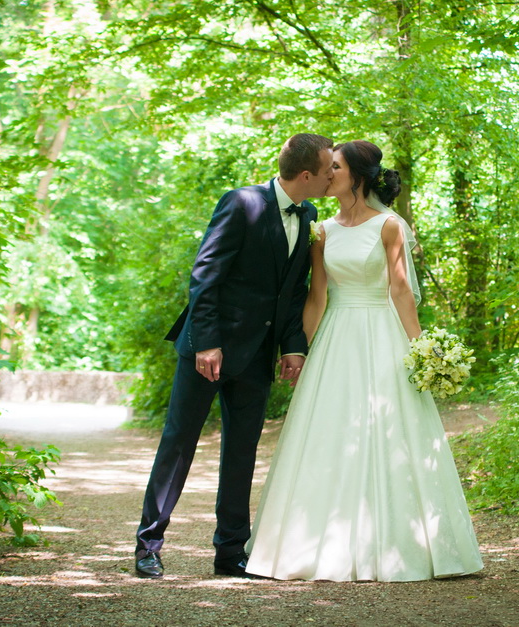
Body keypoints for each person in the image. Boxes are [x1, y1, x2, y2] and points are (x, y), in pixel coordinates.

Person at [245, 140, 484, 581]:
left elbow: (400, 292)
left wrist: (423, 351)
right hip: (336, 337)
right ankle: (318, 543)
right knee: (329, 431)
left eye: (334, 167)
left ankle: (401, 544)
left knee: (390, 433)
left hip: (381, 335)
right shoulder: (323, 230)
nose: (327, 172)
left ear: (356, 176)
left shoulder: (390, 226)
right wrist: (299, 351)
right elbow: (317, 296)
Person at [134, 133, 334, 579]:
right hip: (209, 350)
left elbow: (291, 289)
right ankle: (148, 544)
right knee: (178, 444)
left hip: (257, 356)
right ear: (306, 175)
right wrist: (207, 341)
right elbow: (206, 273)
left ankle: (230, 552)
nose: (330, 179)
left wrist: (293, 347)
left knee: (242, 452)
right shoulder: (241, 202)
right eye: (326, 172)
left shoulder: (311, 215)